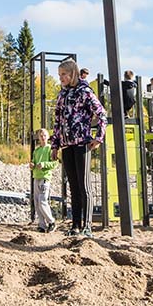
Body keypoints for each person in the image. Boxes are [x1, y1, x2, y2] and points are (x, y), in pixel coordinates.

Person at [50, 58, 107, 238]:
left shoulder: (85, 92)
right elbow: (58, 121)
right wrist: (55, 145)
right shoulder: (62, 95)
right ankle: (75, 225)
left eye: (64, 75)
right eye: (59, 75)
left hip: (82, 142)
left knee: (84, 186)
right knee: (73, 186)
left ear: (72, 73)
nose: (61, 78)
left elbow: (102, 114)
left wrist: (98, 138)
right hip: (67, 145)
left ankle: (87, 226)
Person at [30, 128, 57, 233]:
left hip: (45, 177)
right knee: (37, 202)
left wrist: (45, 164)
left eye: (44, 135)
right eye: (41, 135)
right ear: (38, 137)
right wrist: (32, 165)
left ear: (48, 137)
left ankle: (51, 221)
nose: (42, 137)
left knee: (42, 200)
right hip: (36, 176)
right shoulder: (36, 151)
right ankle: (42, 225)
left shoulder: (50, 149)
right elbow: (33, 162)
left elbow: (54, 163)